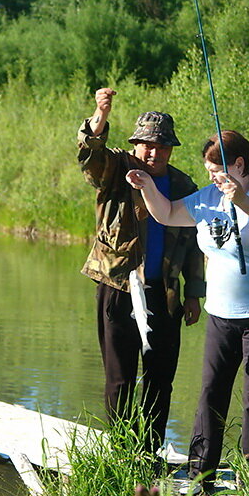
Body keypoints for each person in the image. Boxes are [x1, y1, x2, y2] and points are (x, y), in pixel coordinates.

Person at [126, 130, 249, 493]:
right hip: (221, 313)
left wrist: (242, 200)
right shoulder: (206, 197)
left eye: (217, 170)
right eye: (207, 170)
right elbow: (168, 214)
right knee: (211, 391)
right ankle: (200, 475)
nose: (212, 177)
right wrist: (145, 186)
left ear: (238, 165)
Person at [77, 87, 205, 468]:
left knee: (160, 379)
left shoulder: (184, 187)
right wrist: (99, 115)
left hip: (163, 295)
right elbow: (89, 155)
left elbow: (195, 244)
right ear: (135, 144)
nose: (153, 153)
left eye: (161, 147)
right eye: (147, 145)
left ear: (170, 150)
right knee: (119, 378)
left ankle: (148, 455)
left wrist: (194, 294)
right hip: (117, 288)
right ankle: (120, 456)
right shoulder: (117, 169)